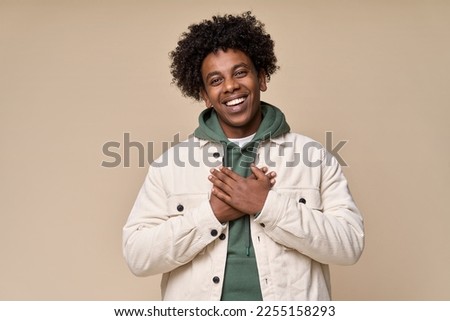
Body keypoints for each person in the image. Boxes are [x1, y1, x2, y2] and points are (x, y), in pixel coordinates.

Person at [122, 11, 364, 301]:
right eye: (215, 80)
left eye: (240, 72)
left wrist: (266, 205)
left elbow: (350, 246)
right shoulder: (169, 165)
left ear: (262, 77)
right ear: (204, 94)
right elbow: (137, 256)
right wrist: (211, 215)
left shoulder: (313, 156)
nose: (230, 86)